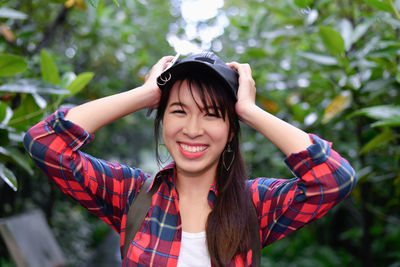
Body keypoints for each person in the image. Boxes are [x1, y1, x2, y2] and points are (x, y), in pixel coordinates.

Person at [24, 52, 357, 267]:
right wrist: (144, 95)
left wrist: (250, 111)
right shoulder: (132, 193)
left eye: (212, 115)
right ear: (161, 119)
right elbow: (45, 143)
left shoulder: (254, 203)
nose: (193, 129)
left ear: (230, 130)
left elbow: (333, 179)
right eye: (179, 110)